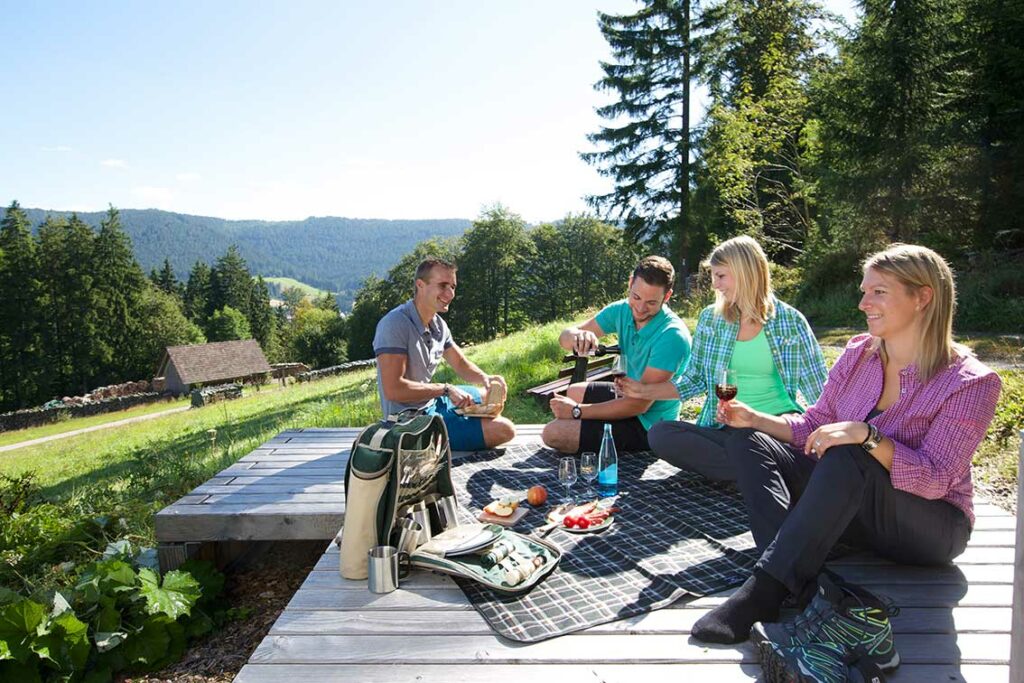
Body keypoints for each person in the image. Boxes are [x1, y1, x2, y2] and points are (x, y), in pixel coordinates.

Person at [689, 244, 1001, 659]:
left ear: (922, 297)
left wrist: (867, 435)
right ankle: (793, 571)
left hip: (931, 527)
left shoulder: (970, 382)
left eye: (878, 292)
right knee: (749, 441)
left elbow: (937, 478)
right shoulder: (858, 354)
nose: (862, 303)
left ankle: (767, 588)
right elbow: (814, 424)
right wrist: (757, 420)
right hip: (857, 513)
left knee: (850, 455)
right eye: (864, 291)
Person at [618, 236, 827, 481]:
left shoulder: (790, 322)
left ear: (745, 272)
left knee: (747, 444)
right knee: (660, 434)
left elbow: (821, 388)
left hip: (774, 426)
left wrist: (834, 435)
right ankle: (767, 470)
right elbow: (694, 380)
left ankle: (750, 470)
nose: (715, 285)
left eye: (721, 276)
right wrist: (644, 391)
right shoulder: (711, 319)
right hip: (724, 427)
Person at [541, 255, 692, 454]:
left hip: (649, 424)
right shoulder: (622, 309)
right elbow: (564, 339)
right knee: (574, 391)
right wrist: (578, 336)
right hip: (626, 394)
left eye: (651, 303)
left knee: (552, 433)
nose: (639, 308)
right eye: (636, 297)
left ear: (667, 296)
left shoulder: (672, 337)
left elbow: (639, 405)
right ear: (630, 283)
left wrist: (577, 411)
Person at [373, 258, 516, 450]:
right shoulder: (394, 324)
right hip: (408, 421)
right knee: (505, 429)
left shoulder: (438, 324)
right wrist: (446, 389)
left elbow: (460, 363)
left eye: (453, 287)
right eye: (442, 285)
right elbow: (393, 389)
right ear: (420, 285)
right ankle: (429, 442)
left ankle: (454, 428)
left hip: (433, 401)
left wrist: (485, 378)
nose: (450, 294)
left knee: (485, 395)